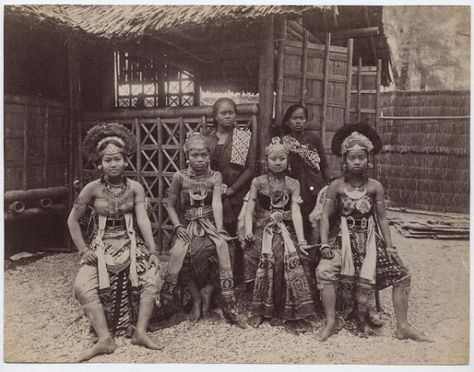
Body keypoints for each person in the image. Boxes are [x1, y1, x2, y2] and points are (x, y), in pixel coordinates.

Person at [316, 122, 430, 342]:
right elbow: (324, 217)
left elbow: (382, 218)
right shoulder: (337, 186)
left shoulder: (375, 186)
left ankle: (403, 326)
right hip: (343, 241)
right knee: (324, 271)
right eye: (352, 157)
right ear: (344, 160)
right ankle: (331, 321)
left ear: (369, 159)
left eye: (362, 157)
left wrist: (388, 246)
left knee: (402, 273)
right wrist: (324, 244)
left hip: (370, 241)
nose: (357, 162)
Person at [68, 123, 162, 362]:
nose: (113, 164)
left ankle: (140, 331)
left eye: (118, 159)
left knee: (152, 276)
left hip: (130, 243)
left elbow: (142, 220)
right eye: (108, 160)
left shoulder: (135, 188)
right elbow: (72, 221)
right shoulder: (91, 189)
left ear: (126, 160)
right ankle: (105, 339)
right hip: (101, 245)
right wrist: (83, 250)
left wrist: (152, 251)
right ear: (100, 163)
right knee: (81, 285)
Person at [159, 132, 246, 328]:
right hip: (187, 224)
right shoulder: (179, 176)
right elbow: (170, 205)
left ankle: (208, 290)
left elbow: (216, 203)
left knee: (224, 248)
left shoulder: (215, 176)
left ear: (209, 156)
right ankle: (196, 298)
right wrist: (177, 225)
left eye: (204, 155)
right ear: (187, 156)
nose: (200, 159)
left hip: (209, 223)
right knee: (180, 252)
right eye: (195, 155)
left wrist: (220, 229)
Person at [242, 138, 316, 333]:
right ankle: (259, 309)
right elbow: (249, 210)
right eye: (273, 158)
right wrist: (248, 230)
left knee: (291, 256)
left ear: (287, 160)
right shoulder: (257, 182)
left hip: (285, 228)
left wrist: (301, 240)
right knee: (251, 254)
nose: (277, 162)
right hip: (262, 227)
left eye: (282, 158)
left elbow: (296, 212)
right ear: (266, 160)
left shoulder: (293, 183)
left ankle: (284, 309)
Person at [205, 98, 256, 282]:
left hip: (235, 192)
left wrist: (233, 189)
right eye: (223, 113)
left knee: (236, 231)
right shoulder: (207, 138)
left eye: (231, 112)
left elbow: (250, 168)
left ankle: (238, 275)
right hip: (211, 192)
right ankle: (217, 273)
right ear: (215, 117)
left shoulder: (242, 137)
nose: (228, 116)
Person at [275, 104, 331, 242]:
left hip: (315, 185)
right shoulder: (283, 141)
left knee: (315, 220)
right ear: (287, 121)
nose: (298, 122)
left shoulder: (313, 139)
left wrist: (329, 183)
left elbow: (323, 163)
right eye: (294, 118)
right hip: (294, 186)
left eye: (302, 118)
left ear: (306, 121)